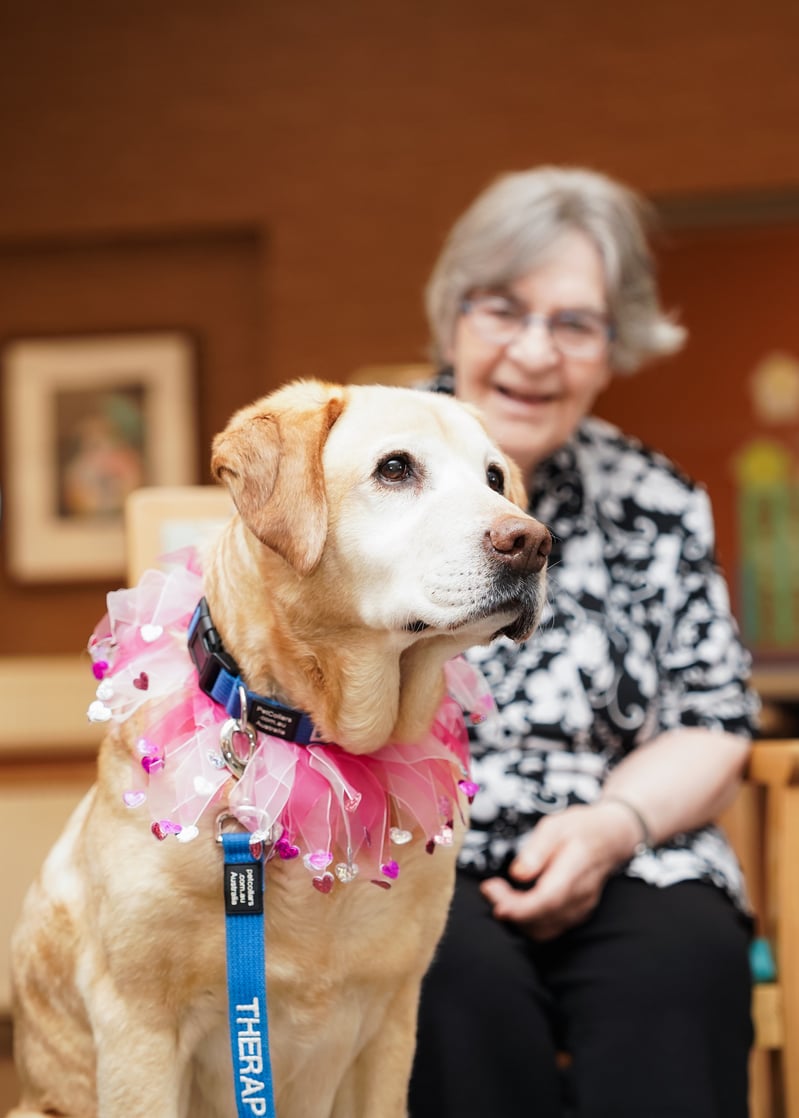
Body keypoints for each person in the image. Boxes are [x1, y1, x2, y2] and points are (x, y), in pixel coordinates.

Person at [408, 167, 759, 1118]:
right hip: (409, 849)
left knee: (684, 965)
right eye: (502, 309)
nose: (534, 351)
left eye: (574, 323)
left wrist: (611, 828)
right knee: (442, 980)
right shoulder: (368, 465)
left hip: (628, 841)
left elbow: (712, 719)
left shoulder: (655, 500)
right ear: (451, 317)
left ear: (615, 348)